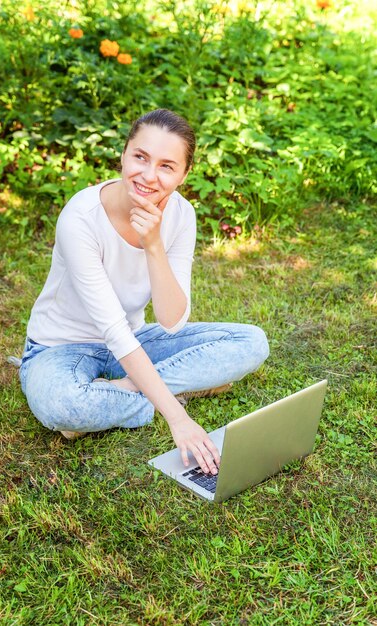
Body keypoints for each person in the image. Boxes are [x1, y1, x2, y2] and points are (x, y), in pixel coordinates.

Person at [19, 108, 269, 476]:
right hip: (58, 349)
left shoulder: (183, 216)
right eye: (140, 157)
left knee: (251, 342)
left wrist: (153, 245)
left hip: (133, 345)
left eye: (167, 166)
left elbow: (171, 321)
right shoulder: (81, 217)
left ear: (184, 174)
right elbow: (112, 330)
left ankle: (115, 394)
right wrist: (176, 416)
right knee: (62, 403)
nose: (149, 176)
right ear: (123, 154)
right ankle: (161, 393)